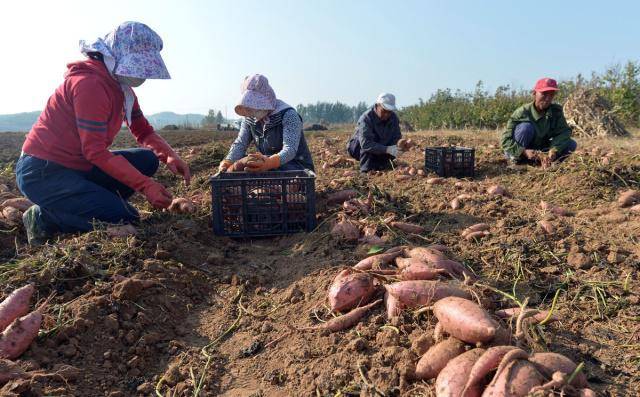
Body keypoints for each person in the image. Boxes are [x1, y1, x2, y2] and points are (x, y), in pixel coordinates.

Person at [15, 21, 190, 245]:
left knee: (147, 159)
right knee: (126, 218)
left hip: (78, 166)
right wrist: (146, 186)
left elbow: (142, 130)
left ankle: (95, 202)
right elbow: (95, 151)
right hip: (43, 173)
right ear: (115, 57)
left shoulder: (122, 90)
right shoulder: (90, 85)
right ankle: (44, 217)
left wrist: (170, 155)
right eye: (138, 67)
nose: (141, 76)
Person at [218, 74, 314, 173]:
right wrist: (228, 160)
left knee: (284, 184)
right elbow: (241, 143)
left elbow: (290, 150)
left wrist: (269, 163)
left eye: (256, 105)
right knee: (240, 166)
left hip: (294, 166)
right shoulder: (249, 117)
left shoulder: (288, 115)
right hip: (266, 165)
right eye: (250, 107)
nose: (253, 111)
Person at [500, 78, 577, 168]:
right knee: (526, 128)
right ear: (534, 93)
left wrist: (554, 150)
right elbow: (505, 140)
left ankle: (548, 163)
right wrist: (523, 151)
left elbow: (564, 132)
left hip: (540, 150)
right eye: (544, 94)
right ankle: (516, 162)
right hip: (521, 151)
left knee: (571, 144)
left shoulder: (556, 112)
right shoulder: (522, 112)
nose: (548, 98)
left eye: (551, 94)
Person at [347, 93, 402, 172]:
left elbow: (396, 137)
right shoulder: (366, 118)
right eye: (384, 111)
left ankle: (380, 164)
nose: (386, 114)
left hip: (381, 146)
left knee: (391, 150)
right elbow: (365, 143)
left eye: (389, 112)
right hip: (358, 148)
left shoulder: (393, 118)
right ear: (377, 105)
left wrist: (399, 146)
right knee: (367, 147)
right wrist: (386, 149)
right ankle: (366, 170)